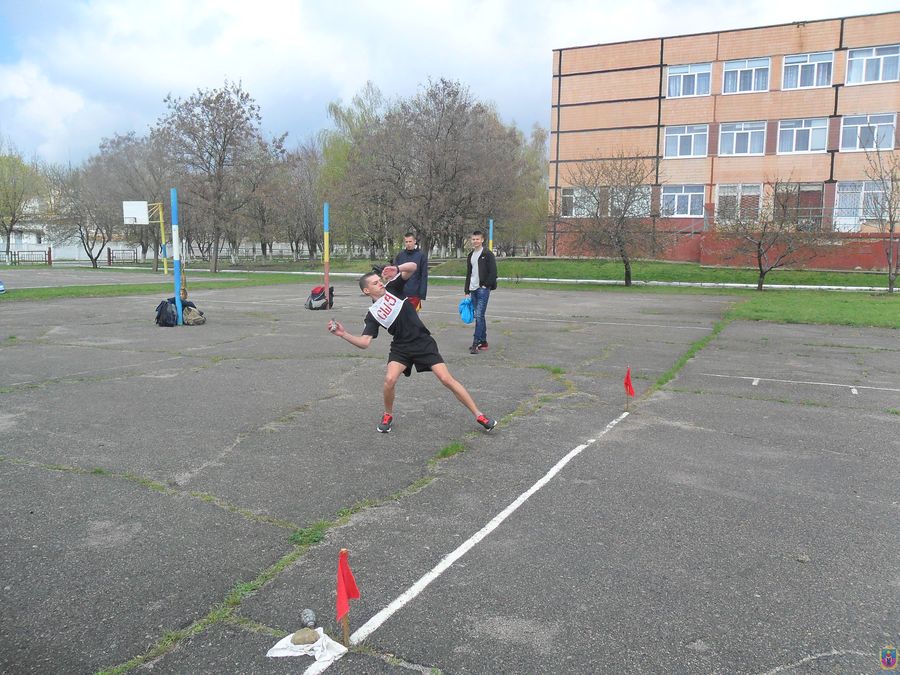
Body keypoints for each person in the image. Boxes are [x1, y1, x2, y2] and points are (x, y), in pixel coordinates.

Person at [327, 262, 497, 434]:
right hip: (401, 347)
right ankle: (388, 414)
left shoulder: (393, 288)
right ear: (366, 291)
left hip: (423, 342)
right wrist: (343, 334)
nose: (380, 284)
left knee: (446, 379)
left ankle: (479, 415)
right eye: (375, 283)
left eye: (380, 280)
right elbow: (364, 342)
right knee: (389, 380)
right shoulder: (373, 314)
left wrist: (398, 269)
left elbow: (414, 267)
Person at [463, 230, 497, 354]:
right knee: (479, 316)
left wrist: (485, 285)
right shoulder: (471, 255)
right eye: (473, 239)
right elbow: (469, 273)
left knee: (478, 315)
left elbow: (493, 272)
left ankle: (475, 342)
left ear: (482, 240)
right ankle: (483, 341)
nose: (475, 241)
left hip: (482, 289)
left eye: (477, 239)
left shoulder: (487, 254)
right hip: (473, 289)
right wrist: (466, 290)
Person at [392, 232, 428, 311]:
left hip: (415, 292)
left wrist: (422, 293)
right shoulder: (400, 255)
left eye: (410, 241)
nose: (408, 244)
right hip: (401, 292)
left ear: (414, 241)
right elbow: (396, 274)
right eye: (406, 242)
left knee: (414, 317)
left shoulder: (421, 256)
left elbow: (424, 276)